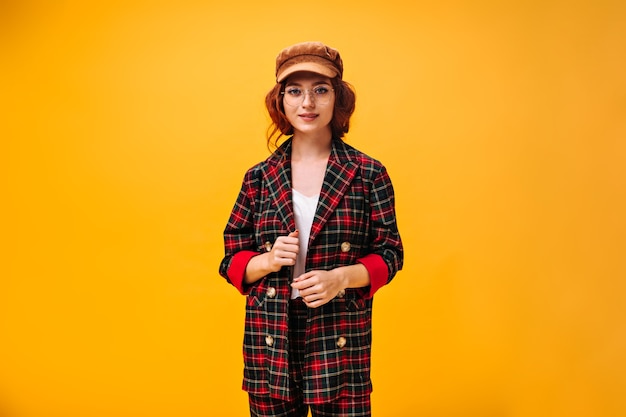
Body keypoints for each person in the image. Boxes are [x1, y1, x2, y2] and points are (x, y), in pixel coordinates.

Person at [219, 41, 403, 417]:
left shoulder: (368, 174)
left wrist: (340, 279)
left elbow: (391, 253)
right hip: (269, 337)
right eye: (295, 91)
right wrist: (267, 260)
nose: (308, 103)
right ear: (281, 101)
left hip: (339, 332)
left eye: (321, 89)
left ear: (339, 98)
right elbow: (231, 260)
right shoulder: (258, 177)